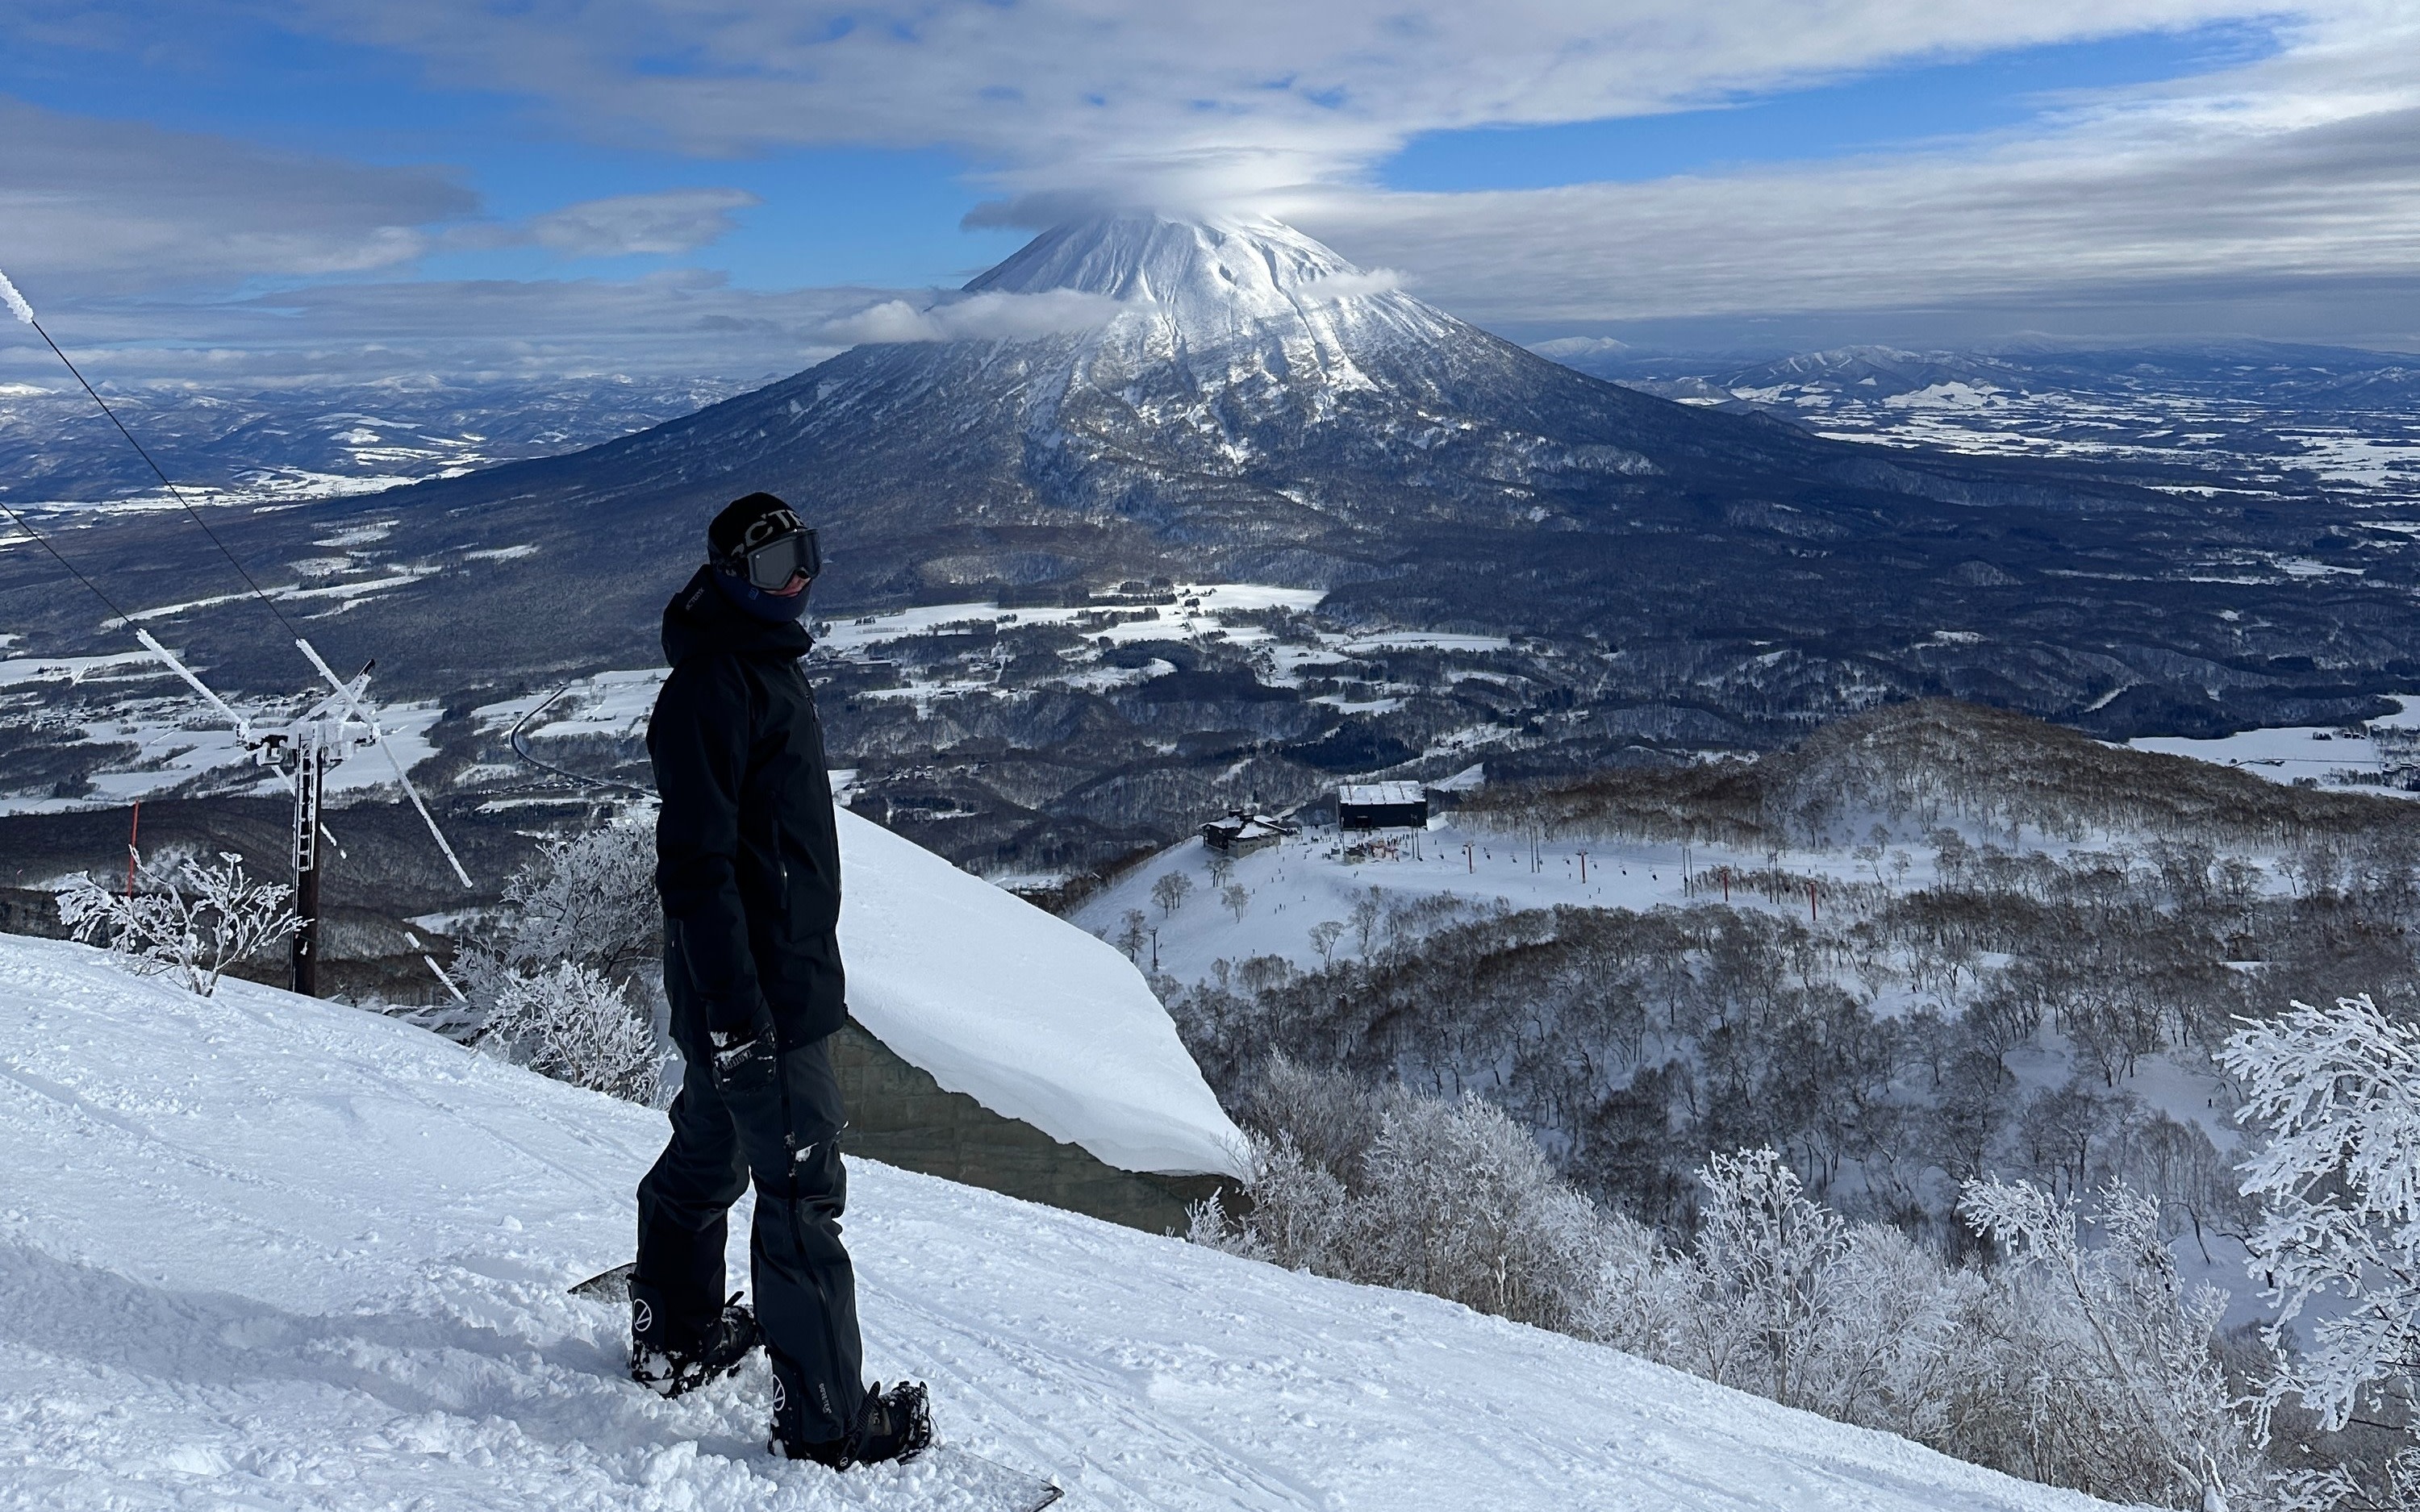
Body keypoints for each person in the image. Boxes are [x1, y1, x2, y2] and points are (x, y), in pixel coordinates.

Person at [629, 490, 932, 1468]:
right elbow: (697, 872)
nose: (795, 582)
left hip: (750, 985)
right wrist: (739, 1020)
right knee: (801, 1192)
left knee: (711, 1149)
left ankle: (674, 1332)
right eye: (772, 569)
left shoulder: (757, 667)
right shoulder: (716, 689)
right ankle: (829, 1423)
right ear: (728, 576)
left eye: (804, 557)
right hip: (758, 998)